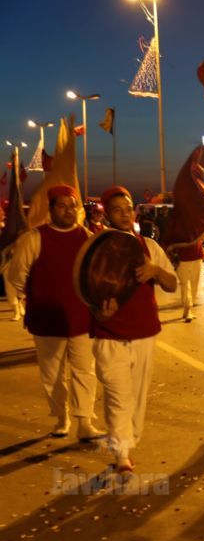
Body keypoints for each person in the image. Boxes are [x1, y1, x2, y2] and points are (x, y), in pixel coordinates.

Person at [7, 186, 105, 440]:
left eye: (72, 206)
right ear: (51, 210)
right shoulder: (34, 238)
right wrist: (37, 298)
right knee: (52, 374)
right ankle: (62, 417)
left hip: (81, 319)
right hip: (47, 320)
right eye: (62, 206)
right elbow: (17, 275)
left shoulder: (86, 237)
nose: (68, 211)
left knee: (84, 371)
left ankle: (84, 421)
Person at [91, 186, 177, 473]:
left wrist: (156, 271)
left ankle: (129, 441)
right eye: (117, 210)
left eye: (128, 209)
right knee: (118, 395)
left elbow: (172, 284)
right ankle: (122, 454)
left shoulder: (149, 247)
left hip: (144, 333)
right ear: (107, 215)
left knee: (137, 398)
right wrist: (98, 313)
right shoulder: (96, 247)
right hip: (109, 335)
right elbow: (82, 291)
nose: (125, 215)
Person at [170, 240, 204, 322]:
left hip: (196, 255)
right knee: (185, 285)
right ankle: (188, 309)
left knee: (194, 284)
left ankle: (187, 310)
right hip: (182, 258)